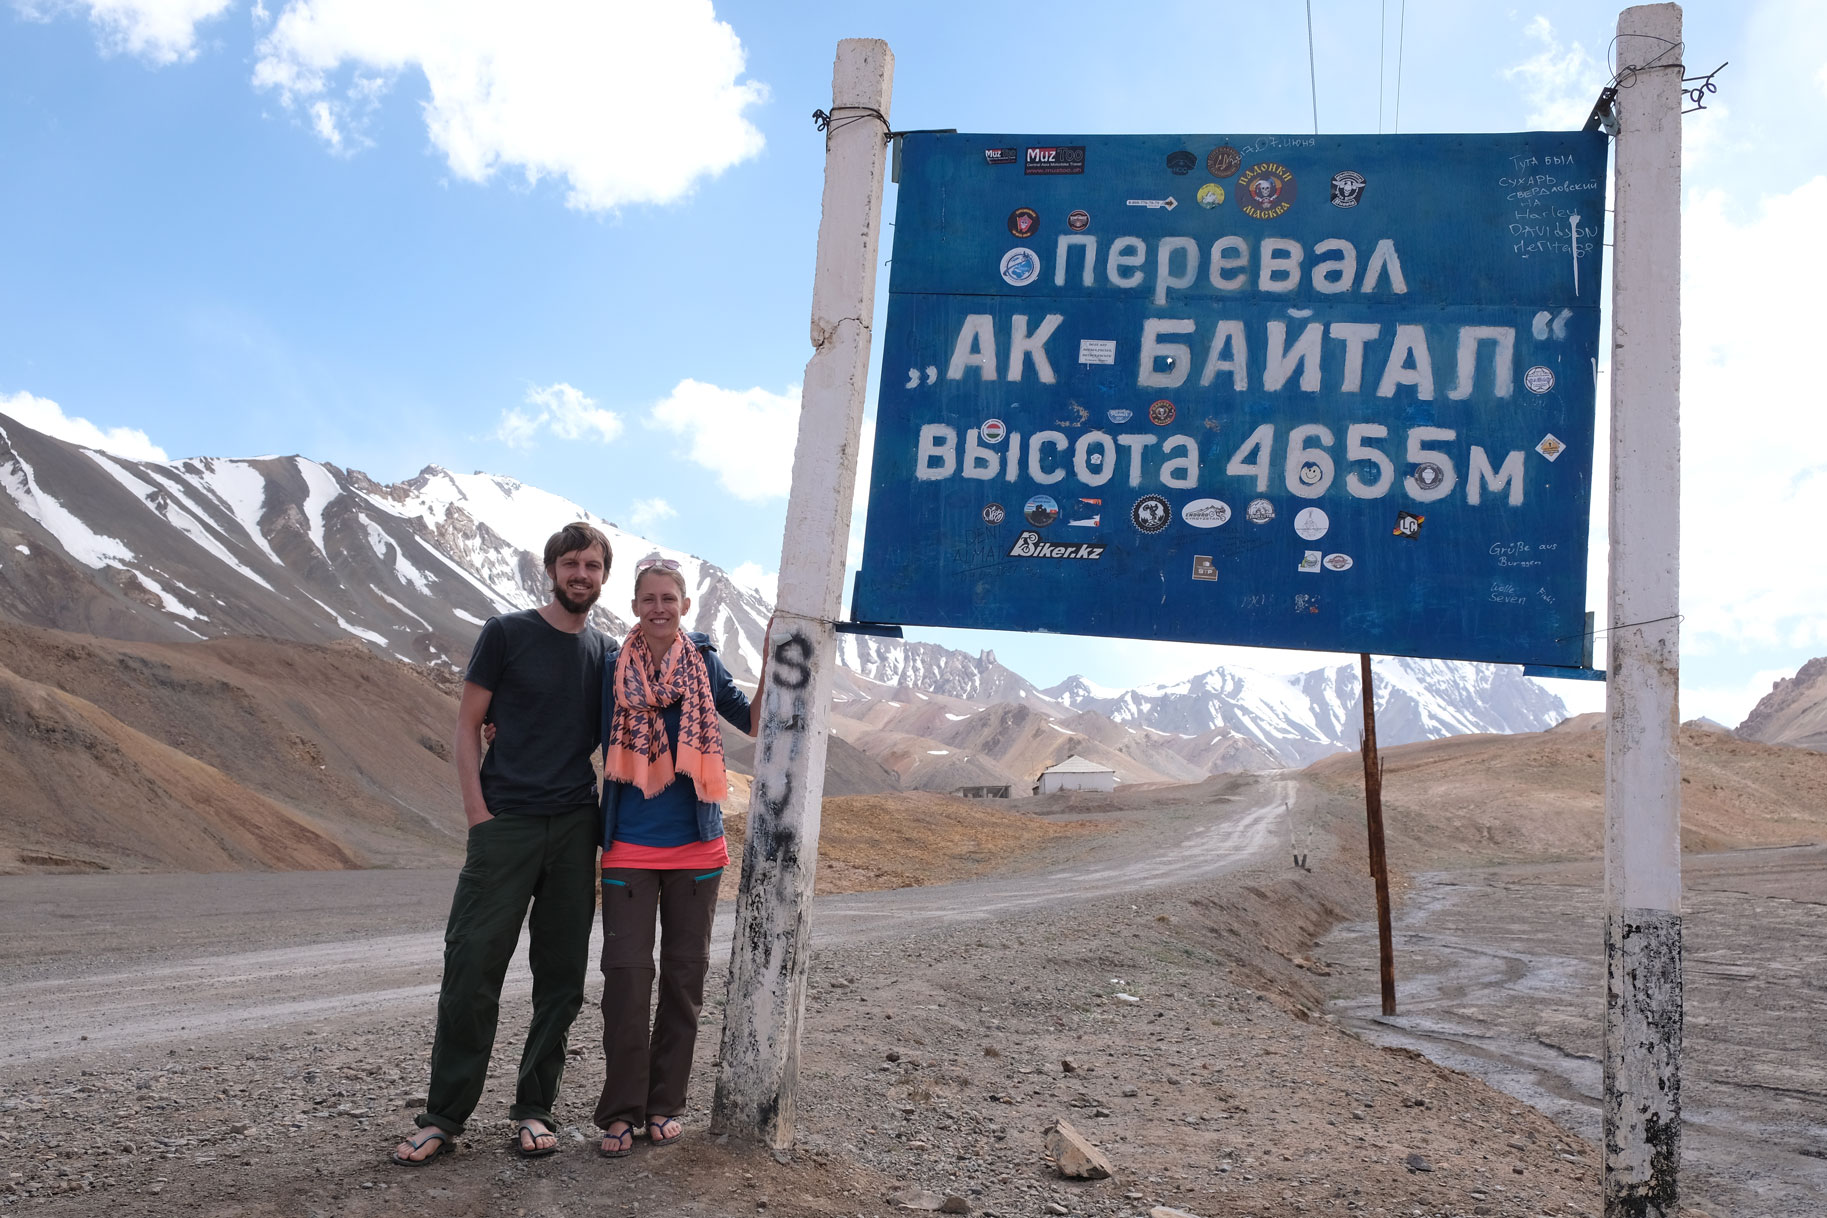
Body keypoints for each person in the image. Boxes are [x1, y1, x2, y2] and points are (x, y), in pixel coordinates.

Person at [392, 522, 613, 1166]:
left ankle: (535, 1109)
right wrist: (477, 814)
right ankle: (442, 1115)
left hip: (575, 826)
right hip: (505, 822)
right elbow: (466, 725)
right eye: (570, 563)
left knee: (563, 977)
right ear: (551, 569)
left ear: (603, 576)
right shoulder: (508, 633)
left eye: (592, 565)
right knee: (472, 966)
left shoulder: (604, 651)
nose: (581, 574)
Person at [593, 554, 764, 1157]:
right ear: (634, 605)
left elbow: (756, 721)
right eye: (649, 599)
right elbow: (577, 728)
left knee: (684, 981)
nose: (659, 608)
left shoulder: (706, 664)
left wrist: (777, 659)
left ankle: (665, 1105)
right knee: (626, 982)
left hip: (698, 848)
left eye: (670, 598)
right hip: (628, 850)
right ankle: (621, 1111)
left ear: (685, 606)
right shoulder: (612, 667)